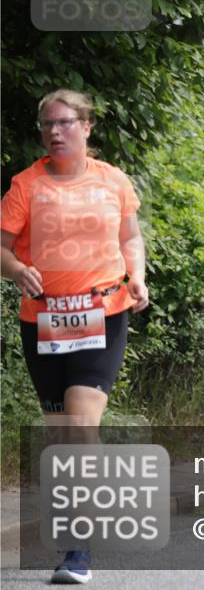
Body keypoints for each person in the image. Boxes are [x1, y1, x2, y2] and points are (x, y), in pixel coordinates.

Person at [1, 89, 150, 584]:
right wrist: (17, 268)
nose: (54, 132)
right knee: (59, 433)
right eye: (46, 124)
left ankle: (78, 548)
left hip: (103, 311)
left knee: (82, 426)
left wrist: (138, 276)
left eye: (64, 122)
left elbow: (130, 237)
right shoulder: (26, 185)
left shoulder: (113, 181)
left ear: (87, 127)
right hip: (44, 320)